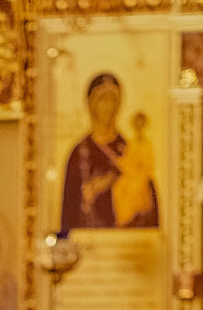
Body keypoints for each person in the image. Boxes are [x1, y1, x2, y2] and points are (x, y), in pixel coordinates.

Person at [59, 72, 158, 231]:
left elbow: (148, 197)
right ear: (91, 104)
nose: (108, 106)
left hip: (126, 239)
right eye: (102, 100)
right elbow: (69, 210)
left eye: (113, 100)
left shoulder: (129, 149)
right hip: (90, 241)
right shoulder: (78, 153)